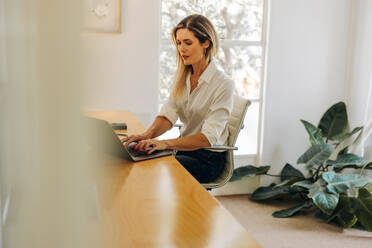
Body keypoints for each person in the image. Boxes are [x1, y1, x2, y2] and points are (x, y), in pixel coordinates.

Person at [124, 14, 234, 183]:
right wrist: (146, 135)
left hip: (207, 159)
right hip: (183, 151)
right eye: (179, 43)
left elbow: (208, 138)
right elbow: (168, 114)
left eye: (188, 43)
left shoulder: (223, 84)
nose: (181, 49)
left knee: (154, 167)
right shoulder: (183, 77)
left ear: (206, 43)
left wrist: (165, 144)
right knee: (136, 158)